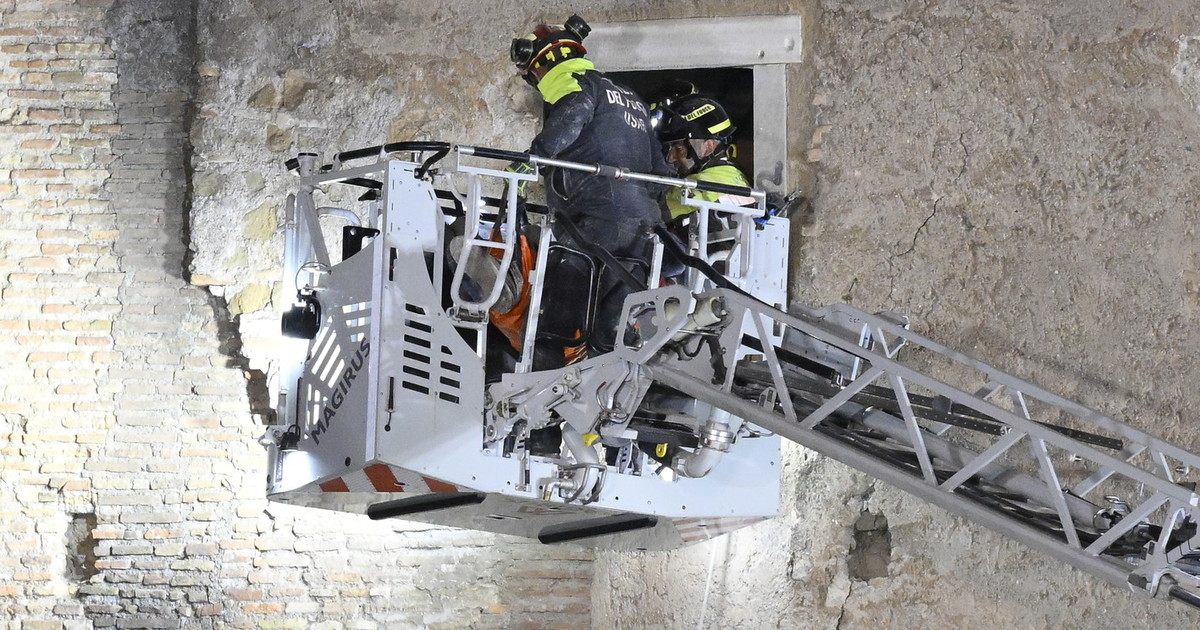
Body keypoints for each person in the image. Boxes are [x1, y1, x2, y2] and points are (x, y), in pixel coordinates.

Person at [510, 15, 674, 368]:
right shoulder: (632, 99)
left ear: (541, 66)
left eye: (534, 78)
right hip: (643, 228)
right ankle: (601, 407)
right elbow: (661, 170)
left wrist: (530, 161)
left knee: (558, 319)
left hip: (594, 219)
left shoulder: (575, 84)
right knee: (613, 330)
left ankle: (541, 398)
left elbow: (572, 116)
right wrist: (665, 226)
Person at [654, 93, 756, 221]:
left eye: (679, 149)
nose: (671, 158)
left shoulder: (700, 183)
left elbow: (650, 218)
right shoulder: (732, 175)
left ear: (708, 146)